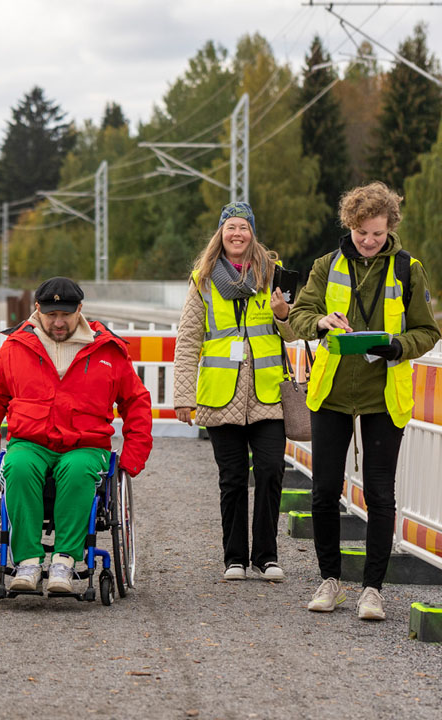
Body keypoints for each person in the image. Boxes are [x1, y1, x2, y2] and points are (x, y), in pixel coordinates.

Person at [287, 182, 439, 620]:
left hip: (383, 397)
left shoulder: (410, 269)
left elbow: (428, 332)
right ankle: (329, 580)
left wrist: (398, 346)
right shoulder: (326, 265)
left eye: (376, 233)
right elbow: (297, 316)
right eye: (360, 233)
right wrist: (320, 321)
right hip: (332, 393)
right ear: (349, 226)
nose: (368, 241)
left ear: (390, 226)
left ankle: (372, 590)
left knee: (379, 494)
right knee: (324, 492)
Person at [0, 277, 153, 595]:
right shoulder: (15, 346)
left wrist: (134, 454)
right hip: (31, 440)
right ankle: (27, 562)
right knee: (17, 465)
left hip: (85, 443)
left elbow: (136, 401)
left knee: (78, 470)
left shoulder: (108, 349)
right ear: (37, 310)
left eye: (66, 315)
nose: (58, 322)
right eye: (51, 314)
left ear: (80, 310)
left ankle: (64, 562)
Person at [172, 201, 294, 583]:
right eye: (230, 227)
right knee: (233, 478)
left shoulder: (275, 276)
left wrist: (282, 315)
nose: (237, 233)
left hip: (268, 394)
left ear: (252, 233)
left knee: (272, 470)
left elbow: (298, 333)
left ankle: (266, 556)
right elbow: (189, 339)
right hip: (219, 394)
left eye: (243, 227)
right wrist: (183, 395)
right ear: (220, 234)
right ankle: (235, 558)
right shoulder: (203, 280)